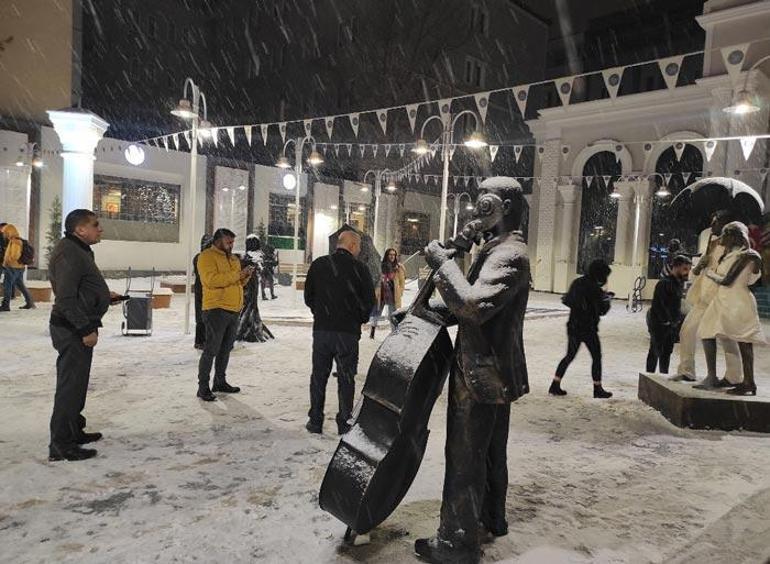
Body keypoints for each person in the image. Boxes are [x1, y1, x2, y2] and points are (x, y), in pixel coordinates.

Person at [415, 177, 530, 564]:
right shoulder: (499, 250)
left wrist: (443, 263)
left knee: (464, 456)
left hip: (481, 371)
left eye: (486, 203)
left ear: (502, 207)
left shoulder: (509, 254)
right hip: (496, 370)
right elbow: (474, 309)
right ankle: (492, 517)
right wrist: (428, 311)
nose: (479, 210)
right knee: (491, 451)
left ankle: (456, 544)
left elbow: (473, 307)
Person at [48, 209, 122, 461]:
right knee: (70, 387)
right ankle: (61, 445)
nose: (100, 229)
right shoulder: (69, 253)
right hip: (71, 329)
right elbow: (66, 299)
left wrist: (102, 297)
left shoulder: (78, 250)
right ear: (80, 230)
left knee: (77, 385)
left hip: (78, 325)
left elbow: (79, 290)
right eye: (95, 225)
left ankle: (73, 430)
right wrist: (84, 329)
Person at [303, 230, 375, 435]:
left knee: (319, 375)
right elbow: (369, 301)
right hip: (347, 333)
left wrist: (321, 313)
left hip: (322, 331)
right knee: (346, 378)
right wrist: (357, 318)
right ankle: (344, 420)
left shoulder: (319, 265)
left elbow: (309, 296)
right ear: (352, 245)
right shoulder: (360, 269)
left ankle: (315, 420)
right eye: (358, 246)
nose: (359, 250)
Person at [697, 222, 766, 395]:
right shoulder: (731, 255)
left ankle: (749, 381)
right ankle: (716, 376)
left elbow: (729, 280)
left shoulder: (746, 255)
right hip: (723, 300)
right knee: (707, 331)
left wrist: (709, 273)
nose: (722, 238)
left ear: (733, 236)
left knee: (744, 341)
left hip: (737, 301)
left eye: (725, 234)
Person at [674, 210, 742, 383]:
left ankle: (734, 376)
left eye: (716, 221)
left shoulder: (734, 248)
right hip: (704, 296)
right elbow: (700, 270)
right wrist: (700, 265)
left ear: (725, 224)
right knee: (687, 330)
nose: (712, 225)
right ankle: (687, 370)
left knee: (726, 337)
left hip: (721, 298)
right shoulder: (710, 242)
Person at [195, 228, 254, 401]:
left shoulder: (233, 258)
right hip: (216, 309)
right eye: (228, 241)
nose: (231, 245)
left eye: (233, 242)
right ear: (218, 240)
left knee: (225, 349)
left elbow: (237, 282)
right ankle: (203, 387)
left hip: (233, 309)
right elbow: (211, 281)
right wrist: (237, 274)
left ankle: (220, 381)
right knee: (211, 349)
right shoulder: (206, 257)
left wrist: (245, 276)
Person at [549, 259, 614, 398]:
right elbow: (602, 310)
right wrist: (606, 300)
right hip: (589, 328)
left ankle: (555, 384)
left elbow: (568, 301)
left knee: (569, 356)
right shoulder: (595, 289)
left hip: (573, 326)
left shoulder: (578, 283)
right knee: (596, 356)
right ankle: (597, 388)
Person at [646, 255, 692, 374]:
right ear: (676, 267)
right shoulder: (664, 283)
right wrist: (666, 321)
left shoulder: (678, 283)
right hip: (660, 324)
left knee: (666, 353)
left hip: (670, 325)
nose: (687, 272)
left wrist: (674, 322)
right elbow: (658, 305)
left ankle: (663, 376)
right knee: (655, 351)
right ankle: (649, 376)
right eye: (685, 269)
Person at [236, 234, 274, 343]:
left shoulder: (248, 257)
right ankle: (248, 327)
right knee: (250, 305)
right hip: (251, 283)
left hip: (249, 283)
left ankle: (245, 328)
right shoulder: (257, 256)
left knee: (248, 305)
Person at [369, 247, 406, 338]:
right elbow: (375, 279)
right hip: (381, 293)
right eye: (390, 254)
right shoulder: (381, 266)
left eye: (394, 255)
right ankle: (373, 330)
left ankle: (394, 333)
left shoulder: (399, 267)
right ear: (387, 255)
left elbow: (402, 281)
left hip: (393, 294)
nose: (392, 256)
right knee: (376, 313)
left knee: (393, 315)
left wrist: (400, 292)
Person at [1, 223, 35, 311]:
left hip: (12, 267)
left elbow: (15, 255)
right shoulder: (17, 240)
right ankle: (30, 302)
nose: (4, 234)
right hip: (19, 267)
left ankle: (5, 305)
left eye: (5, 232)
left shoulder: (15, 241)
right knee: (21, 286)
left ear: (9, 231)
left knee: (7, 286)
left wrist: (7, 261)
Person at [193, 234, 213, 350]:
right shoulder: (202, 258)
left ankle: (200, 341)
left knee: (202, 316)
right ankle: (202, 341)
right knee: (204, 316)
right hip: (204, 289)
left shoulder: (198, 257)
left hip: (201, 289)